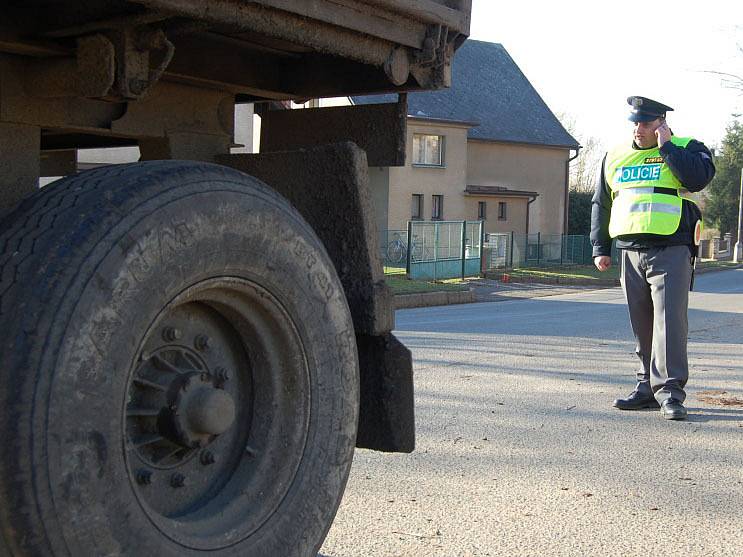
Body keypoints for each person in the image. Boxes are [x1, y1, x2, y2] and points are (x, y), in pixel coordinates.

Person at [590, 96, 715, 420]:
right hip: (630, 251)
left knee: (669, 324)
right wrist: (599, 247)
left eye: (646, 123)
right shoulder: (615, 155)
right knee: (642, 324)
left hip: (671, 248)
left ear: (661, 123)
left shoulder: (688, 147)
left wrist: (668, 147)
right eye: (635, 122)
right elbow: (601, 204)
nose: (638, 128)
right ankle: (646, 387)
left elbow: (697, 179)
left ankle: (671, 393)